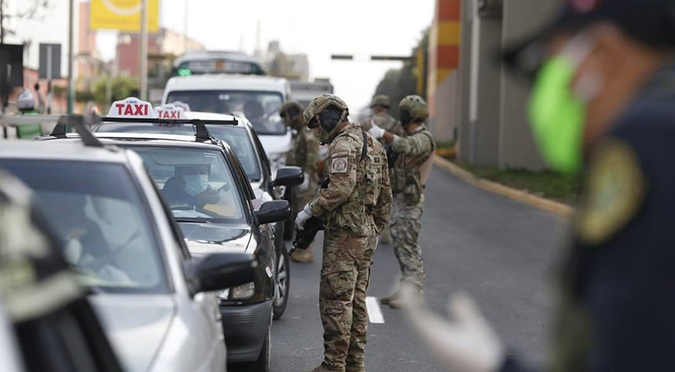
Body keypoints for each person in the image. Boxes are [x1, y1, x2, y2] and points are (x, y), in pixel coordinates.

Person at [399, 0, 675, 372]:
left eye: (553, 68)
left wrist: (500, 368)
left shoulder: (649, 141)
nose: (548, 93)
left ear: (605, 53)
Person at [295, 94, 391, 372]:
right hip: (364, 235)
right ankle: (354, 364)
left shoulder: (342, 146)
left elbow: (339, 189)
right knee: (357, 302)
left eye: (316, 124)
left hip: (344, 237)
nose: (316, 131)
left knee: (336, 301)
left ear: (328, 118)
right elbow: (386, 195)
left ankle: (333, 365)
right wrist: (374, 228)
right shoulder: (372, 144)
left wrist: (309, 211)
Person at [368, 95, 436, 308]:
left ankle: (414, 294)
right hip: (401, 198)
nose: (402, 116)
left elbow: (407, 147)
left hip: (411, 201)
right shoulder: (407, 134)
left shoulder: (423, 137)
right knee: (401, 244)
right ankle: (406, 288)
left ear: (414, 115)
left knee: (408, 246)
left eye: (405, 112)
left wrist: (383, 134)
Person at [280, 101, 320, 263]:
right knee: (299, 214)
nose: (284, 121)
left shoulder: (307, 132)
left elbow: (312, 156)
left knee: (305, 215)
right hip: (299, 179)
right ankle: (301, 247)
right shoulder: (299, 132)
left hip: (305, 180)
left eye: (285, 116)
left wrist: (308, 175)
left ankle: (306, 251)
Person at [363, 95, 403, 245]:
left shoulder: (367, 123)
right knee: (386, 199)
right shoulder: (396, 124)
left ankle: (369, 231)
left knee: (368, 198)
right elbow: (401, 146)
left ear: (377, 107)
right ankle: (385, 231)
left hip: (369, 168)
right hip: (389, 168)